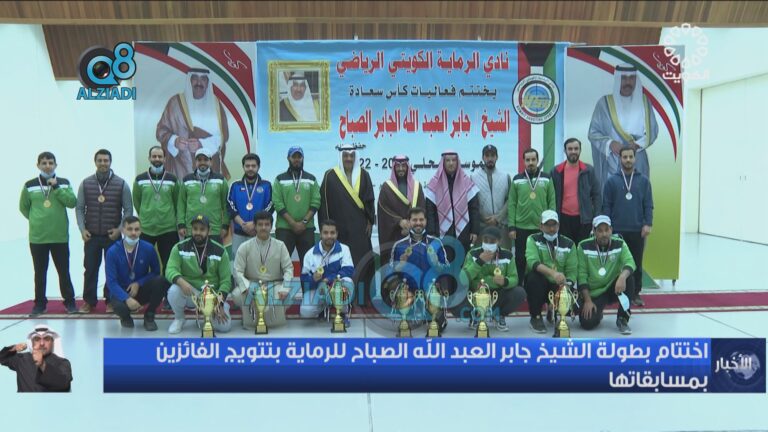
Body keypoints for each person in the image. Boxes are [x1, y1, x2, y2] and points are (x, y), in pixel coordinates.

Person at [20, 152, 78, 316]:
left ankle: (70, 302)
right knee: (40, 272)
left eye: (50, 163)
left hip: (59, 236)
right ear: (38, 165)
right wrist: (36, 220)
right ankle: (40, 304)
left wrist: (56, 187)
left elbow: (72, 202)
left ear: (56, 165)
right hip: (38, 237)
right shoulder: (29, 185)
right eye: (44, 163)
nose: (47, 166)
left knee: (63, 271)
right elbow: (24, 207)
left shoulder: (64, 183)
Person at [76, 149, 133, 314]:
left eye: (106, 160)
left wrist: (120, 230)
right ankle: (89, 302)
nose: (103, 163)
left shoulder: (121, 184)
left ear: (110, 162)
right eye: (100, 160)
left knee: (112, 271)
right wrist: (82, 229)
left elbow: (128, 209)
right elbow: (79, 208)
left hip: (112, 236)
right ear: (95, 162)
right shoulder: (86, 183)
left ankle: (111, 301)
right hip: (91, 235)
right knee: (90, 269)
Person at [319, 144, 375, 306]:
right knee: (340, 263)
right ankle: (338, 298)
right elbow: (324, 205)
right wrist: (326, 229)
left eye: (351, 156)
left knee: (362, 262)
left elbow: (369, 200)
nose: (348, 159)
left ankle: (362, 299)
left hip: (360, 229)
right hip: (338, 230)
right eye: (345, 156)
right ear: (341, 157)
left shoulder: (364, 175)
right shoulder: (330, 176)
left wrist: (370, 221)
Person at [588, 63, 659, 189]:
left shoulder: (644, 102)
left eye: (631, 78)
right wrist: (610, 143)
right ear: (617, 79)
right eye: (624, 78)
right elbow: (593, 132)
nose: (628, 82)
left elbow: (652, 130)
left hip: (637, 160)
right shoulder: (604, 103)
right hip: (613, 162)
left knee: (638, 194)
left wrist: (638, 144)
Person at [156, 67, 230, 179]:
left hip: (209, 168)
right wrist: (175, 141)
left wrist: (201, 144)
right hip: (180, 168)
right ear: (190, 80)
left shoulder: (216, 106)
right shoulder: (175, 103)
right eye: (195, 78)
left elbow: (223, 137)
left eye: (203, 79)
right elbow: (161, 131)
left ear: (207, 82)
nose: (199, 83)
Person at [602, 147, 653, 307]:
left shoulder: (643, 181)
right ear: (620, 159)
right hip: (616, 230)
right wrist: (607, 227)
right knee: (615, 264)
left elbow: (648, 204)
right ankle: (614, 292)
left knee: (636, 263)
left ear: (635, 159)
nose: (628, 160)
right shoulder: (612, 181)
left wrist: (648, 223)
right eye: (625, 157)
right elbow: (606, 205)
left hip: (637, 230)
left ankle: (635, 293)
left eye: (631, 157)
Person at [166, 214, 232, 334]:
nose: (198, 232)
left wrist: (219, 303)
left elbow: (226, 280)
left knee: (224, 327)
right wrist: (181, 282)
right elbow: (170, 270)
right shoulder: (179, 247)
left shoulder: (220, 251)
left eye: (202, 229)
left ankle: (213, 313)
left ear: (209, 231)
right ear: (191, 229)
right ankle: (179, 318)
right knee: (174, 290)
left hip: (212, 296)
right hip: (190, 293)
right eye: (195, 229)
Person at [388, 207, 449, 333]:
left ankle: (433, 315)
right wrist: (401, 265)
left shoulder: (436, 242)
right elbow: (391, 273)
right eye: (414, 220)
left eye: (421, 220)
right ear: (409, 221)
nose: (418, 223)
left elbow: (446, 270)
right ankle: (407, 316)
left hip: (430, 290)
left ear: (426, 221)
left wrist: (436, 263)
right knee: (405, 325)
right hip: (409, 290)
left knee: (437, 328)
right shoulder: (399, 245)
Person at [106, 216, 170, 331]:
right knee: (119, 306)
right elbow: (111, 282)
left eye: (137, 229)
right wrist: (126, 298)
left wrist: (139, 283)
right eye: (129, 229)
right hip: (122, 291)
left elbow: (156, 272)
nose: (133, 233)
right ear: (123, 230)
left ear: (141, 231)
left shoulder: (148, 248)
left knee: (161, 281)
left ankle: (149, 315)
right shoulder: (112, 251)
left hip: (140, 290)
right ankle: (125, 317)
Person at [456, 226, 526, 332]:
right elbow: (463, 278)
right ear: (481, 240)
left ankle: (499, 315)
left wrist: (505, 281)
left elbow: (515, 279)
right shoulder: (473, 254)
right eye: (485, 240)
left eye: (492, 241)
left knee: (519, 292)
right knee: (457, 294)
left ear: (499, 241)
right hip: (477, 293)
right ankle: (475, 315)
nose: (488, 244)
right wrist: (479, 262)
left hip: (499, 294)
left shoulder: (507, 255)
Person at [232, 211, 294, 331]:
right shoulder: (245, 247)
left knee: (287, 295)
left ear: (271, 226)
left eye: (267, 224)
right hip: (252, 285)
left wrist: (284, 288)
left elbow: (288, 269)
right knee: (237, 294)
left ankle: (270, 319)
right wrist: (247, 286)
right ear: (255, 226)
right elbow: (237, 270)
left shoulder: (280, 246)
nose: (263, 227)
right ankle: (250, 318)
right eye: (260, 224)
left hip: (274, 285)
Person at [576, 215, 636, 335]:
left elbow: (630, 262)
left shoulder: (620, 243)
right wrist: (587, 300)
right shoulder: (583, 246)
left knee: (629, 278)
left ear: (611, 230)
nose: (604, 234)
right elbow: (581, 275)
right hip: (594, 292)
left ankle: (622, 319)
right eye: (600, 230)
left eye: (607, 230)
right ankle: (598, 313)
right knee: (587, 323)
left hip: (613, 288)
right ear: (594, 231)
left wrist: (622, 277)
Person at [524, 210, 578, 333]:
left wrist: (564, 290)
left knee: (577, 304)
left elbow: (572, 271)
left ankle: (555, 312)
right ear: (541, 226)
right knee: (533, 278)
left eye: (554, 225)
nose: (552, 229)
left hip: (559, 285)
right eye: (547, 225)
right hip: (541, 283)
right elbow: (532, 262)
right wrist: (553, 273)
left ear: (559, 225)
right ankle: (536, 317)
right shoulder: (533, 239)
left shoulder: (569, 244)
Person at [507, 148, 556, 284]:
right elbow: (512, 204)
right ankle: (519, 286)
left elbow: (552, 201)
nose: (531, 163)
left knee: (540, 259)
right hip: (521, 227)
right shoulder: (517, 180)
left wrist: (551, 225)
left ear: (537, 160)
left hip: (541, 227)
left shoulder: (547, 178)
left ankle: (537, 287)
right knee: (520, 259)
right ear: (523, 161)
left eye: (533, 159)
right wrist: (511, 227)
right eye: (528, 160)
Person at [273, 146, 320, 272]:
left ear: (303, 158)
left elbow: (316, 201)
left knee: (309, 266)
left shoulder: (311, 179)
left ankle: (307, 286)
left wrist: (303, 222)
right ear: (288, 158)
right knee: (281, 266)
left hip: (306, 229)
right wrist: (293, 223)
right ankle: (281, 286)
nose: (297, 159)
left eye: (299, 157)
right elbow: (277, 203)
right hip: (284, 229)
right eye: (294, 157)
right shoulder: (280, 179)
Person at [132, 146, 179, 271]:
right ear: (149, 158)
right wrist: (146, 214)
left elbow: (177, 202)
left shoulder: (172, 179)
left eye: (160, 156)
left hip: (168, 229)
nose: (157, 159)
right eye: (154, 156)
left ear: (164, 159)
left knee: (169, 265)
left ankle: (166, 285)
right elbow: (137, 202)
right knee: (142, 265)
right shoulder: (140, 179)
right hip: (146, 229)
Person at [299, 220, 354, 326]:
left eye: (332, 233)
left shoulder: (344, 249)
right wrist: (313, 279)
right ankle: (322, 308)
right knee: (305, 311)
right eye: (325, 233)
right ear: (320, 234)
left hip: (337, 286)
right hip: (319, 290)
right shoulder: (310, 254)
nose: (329, 236)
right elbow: (304, 280)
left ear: (337, 234)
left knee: (347, 281)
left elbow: (348, 270)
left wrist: (328, 279)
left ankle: (342, 312)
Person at [425, 150, 480, 254]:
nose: (451, 163)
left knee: (462, 261)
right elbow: (430, 211)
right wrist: (431, 234)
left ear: (457, 162)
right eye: (448, 160)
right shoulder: (434, 184)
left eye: (454, 160)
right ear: (443, 163)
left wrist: (475, 230)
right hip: (441, 234)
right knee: (444, 261)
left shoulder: (466, 182)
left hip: (464, 233)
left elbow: (474, 208)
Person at [551, 138, 602, 246]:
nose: (573, 151)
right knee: (566, 250)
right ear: (565, 151)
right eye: (570, 149)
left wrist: (597, 217)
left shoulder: (589, 170)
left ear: (580, 150)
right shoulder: (556, 171)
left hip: (584, 219)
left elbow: (597, 195)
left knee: (582, 249)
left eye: (576, 148)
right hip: (563, 219)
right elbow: (550, 196)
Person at [376, 155, 425, 262]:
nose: (401, 168)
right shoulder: (386, 187)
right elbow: (383, 210)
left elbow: (422, 208)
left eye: (403, 166)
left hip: (414, 232)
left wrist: (412, 223)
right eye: (398, 166)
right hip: (394, 234)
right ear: (394, 167)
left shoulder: (417, 186)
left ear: (408, 167)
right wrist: (399, 221)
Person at [177, 148, 230, 244]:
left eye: (205, 160)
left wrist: (225, 226)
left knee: (214, 254)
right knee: (192, 254)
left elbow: (226, 205)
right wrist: (181, 224)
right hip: (192, 229)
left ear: (211, 162)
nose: (202, 162)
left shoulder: (221, 180)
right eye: (199, 160)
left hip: (214, 230)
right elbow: (181, 204)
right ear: (195, 162)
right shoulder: (187, 180)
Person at [227, 153, 273, 263]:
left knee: (260, 264)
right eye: (247, 166)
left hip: (259, 233)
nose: (250, 168)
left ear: (258, 167)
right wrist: (243, 224)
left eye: (253, 166)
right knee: (238, 264)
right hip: (239, 233)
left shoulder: (266, 185)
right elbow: (230, 205)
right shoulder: (235, 185)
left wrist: (254, 224)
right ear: (243, 167)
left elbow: (270, 206)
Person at [0, 325, 72, 392]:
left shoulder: (62, 362)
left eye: (46, 339)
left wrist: (42, 365)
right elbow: (2, 358)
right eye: (37, 339)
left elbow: (64, 385)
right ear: (32, 342)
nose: (42, 343)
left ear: (53, 342)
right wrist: (14, 348)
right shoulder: (21, 359)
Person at [471, 144, 511, 248]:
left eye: (492, 155)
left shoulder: (505, 176)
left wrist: (498, 218)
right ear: (483, 157)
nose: (490, 159)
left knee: (503, 255)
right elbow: (473, 202)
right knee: (483, 256)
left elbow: (509, 200)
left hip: (501, 226)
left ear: (497, 157)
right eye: (487, 156)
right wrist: (484, 217)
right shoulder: (473, 177)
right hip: (482, 226)